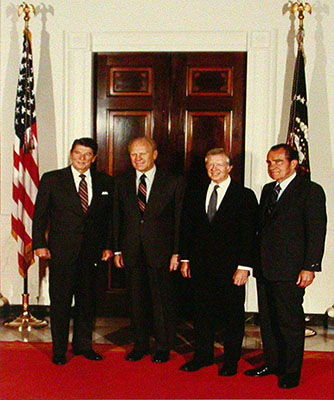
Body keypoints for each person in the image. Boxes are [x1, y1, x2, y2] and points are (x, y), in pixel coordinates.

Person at [245, 144, 327, 389]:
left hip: (291, 269)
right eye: (270, 162)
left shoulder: (310, 190)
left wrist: (310, 266)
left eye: (278, 162)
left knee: (289, 322)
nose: (273, 167)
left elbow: (316, 231)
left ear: (293, 164)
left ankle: (291, 371)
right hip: (265, 266)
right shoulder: (269, 190)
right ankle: (273, 363)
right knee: (268, 320)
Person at [32, 137, 113, 365]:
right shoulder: (52, 179)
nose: (82, 158)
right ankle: (59, 351)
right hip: (61, 253)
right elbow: (40, 216)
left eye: (88, 155)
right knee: (61, 303)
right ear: (71, 154)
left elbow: (110, 220)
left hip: (92, 255)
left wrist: (109, 246)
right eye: (78, 153)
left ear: (94, 158)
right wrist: (39, 244)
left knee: (87, 303)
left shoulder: (106, 182)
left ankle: (83, 346)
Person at [179, 148, 258, 376]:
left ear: (230, 168)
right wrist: (185, 259)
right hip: (201, 267)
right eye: (210, 165)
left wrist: (244, 267)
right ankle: (202, 357)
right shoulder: (194, 192)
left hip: (232, 269)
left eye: (219, 165)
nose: (214, 169)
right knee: (202, 314)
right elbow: (187, 228)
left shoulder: (244, 196)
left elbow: (249, 234)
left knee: (233, 316)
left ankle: (231, 361)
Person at [112, 136, 185, 363]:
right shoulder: (121, 182)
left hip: (162, 253)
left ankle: (163, 346)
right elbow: (116, 218)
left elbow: (179, 220)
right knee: (136, 301)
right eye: (133, 154)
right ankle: (140, 345)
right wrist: (116, 250)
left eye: (142, 153)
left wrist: (177, 252)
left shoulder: (173, 181)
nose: (138, 158)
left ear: (154, 155)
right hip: (131, 251)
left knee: (161, 301)